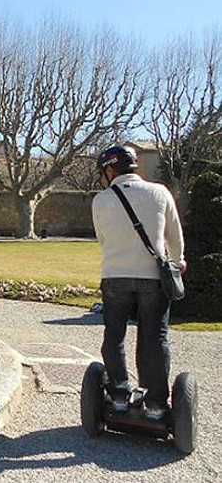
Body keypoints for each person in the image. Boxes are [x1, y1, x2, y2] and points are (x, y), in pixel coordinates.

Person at [92, 144, 186, 420]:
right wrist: (178, 260)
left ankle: (119, 396)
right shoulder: (159, 192)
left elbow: (103, 240)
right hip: (152, 277)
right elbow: (174, 235)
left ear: (110, 169)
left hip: (115, 276)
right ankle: (156, 404)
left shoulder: (101, 200)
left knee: (114, 335)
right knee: (154, 338)